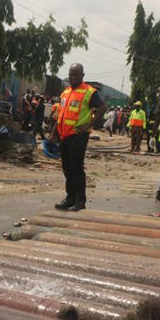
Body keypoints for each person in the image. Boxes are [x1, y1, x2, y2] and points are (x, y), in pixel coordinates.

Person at [53, 63, 106, 211]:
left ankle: (80, 201)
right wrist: (54, 132)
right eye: (71, 74)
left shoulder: (89, 92)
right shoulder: (66, 92)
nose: (73, 77)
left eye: (76, 74)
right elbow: (61, 114)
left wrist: (88, 125)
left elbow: (102, 108)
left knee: (76, 168)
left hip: (78, 136)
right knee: (67, 168)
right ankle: (69, 198)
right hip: (64, 135)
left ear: (83, 75)